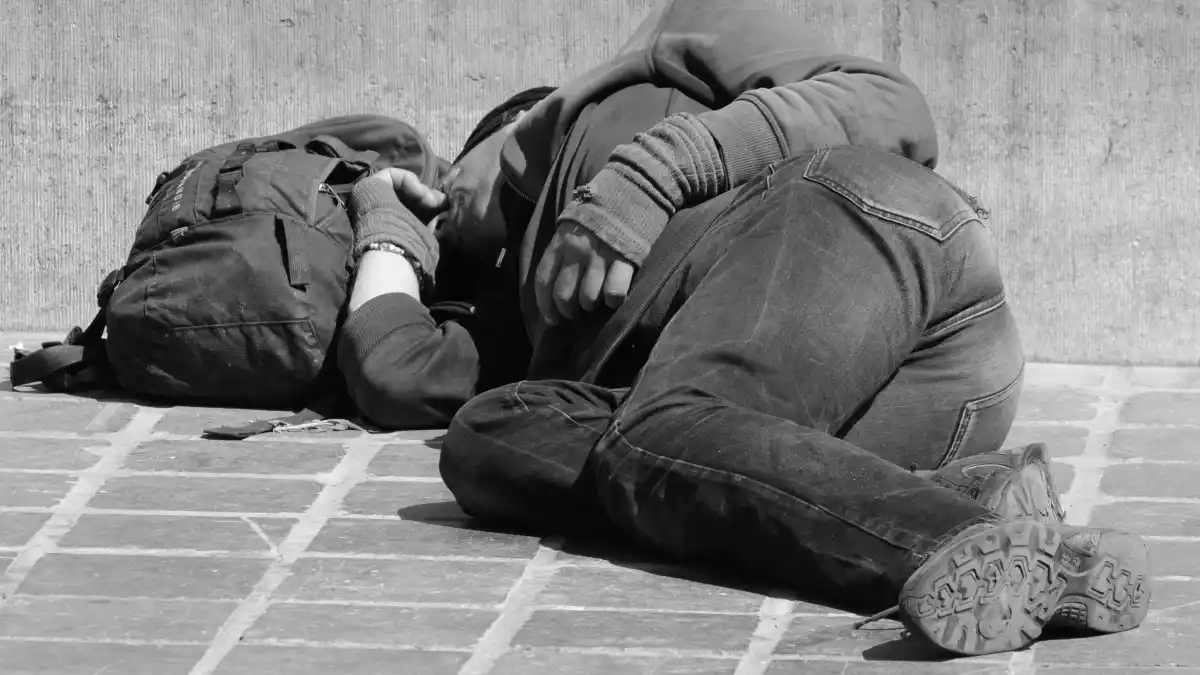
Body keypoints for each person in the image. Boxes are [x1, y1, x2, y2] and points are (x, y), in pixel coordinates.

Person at [337, 0, 1151, 656]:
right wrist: (385, 226)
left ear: (507, 134)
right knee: (489, 439)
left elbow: (892, 103)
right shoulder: (523, 307)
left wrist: (651, 172)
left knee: (658, 429)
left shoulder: (655, 55)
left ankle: (974, 540)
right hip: (877, 420)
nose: (443, 208)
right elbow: (394, 371)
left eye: (446, 187)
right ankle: (949, 501)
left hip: (868, 233)